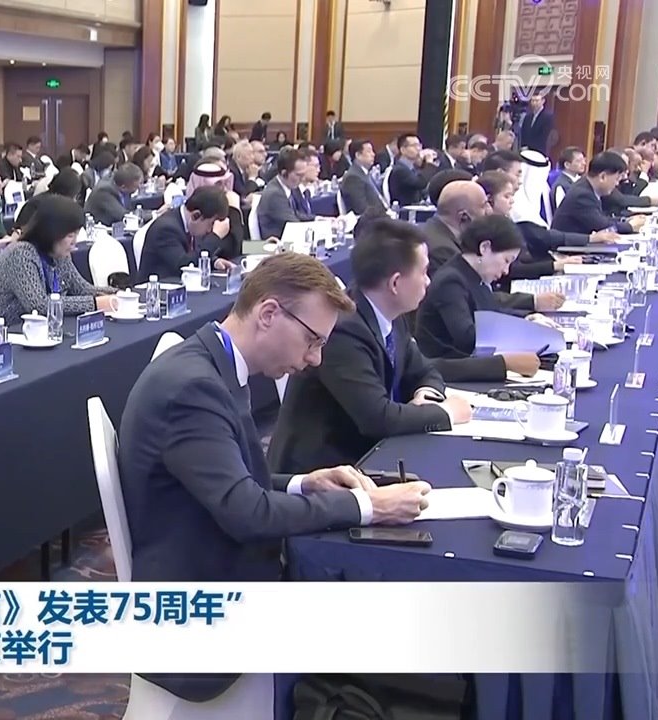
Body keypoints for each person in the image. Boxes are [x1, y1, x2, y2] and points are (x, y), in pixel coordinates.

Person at [118, 250, 432, 701]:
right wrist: (367, 506)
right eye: (312, 340)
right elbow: (249, 513)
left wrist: (306, 482)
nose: (316, 359)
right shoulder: (192, 388)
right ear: (268, 314)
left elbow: (231, 482)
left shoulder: (211, 364)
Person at [267, 220, 470, 474]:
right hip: (322, 471)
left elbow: (425, 371)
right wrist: (445, 412)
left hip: (367, 454)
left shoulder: (392, 315)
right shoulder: (342, 330)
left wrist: (426, 395)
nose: (428, 282)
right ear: (395, 283)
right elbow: (376, 418)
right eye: (423, 272)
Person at [416, 215, 556, 371]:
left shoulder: (474, 276)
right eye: (506, 260)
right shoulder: (451, 281)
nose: (506, 270)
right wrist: (523, 332)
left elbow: (492, 312)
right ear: (485, 248)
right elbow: (468, 337)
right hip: (450, 370)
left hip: (471, 363)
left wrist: (527, 319)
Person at [0, 195, 115, 334]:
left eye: (76, 234)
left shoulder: (59, 254)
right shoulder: (21, 254)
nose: (74, 242)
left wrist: (117, 294)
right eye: (70, 235)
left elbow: (82, 289)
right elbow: (39, 305)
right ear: (52, 232)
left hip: (23, 332)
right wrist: (94, 304)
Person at [137, 186, 236, 280]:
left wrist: (213, 262)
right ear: (196, 216)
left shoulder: (191, 224)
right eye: (211, 224)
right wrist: (215, 236)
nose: (209, 231)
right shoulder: (166, 229)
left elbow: (194, 254)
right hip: (157, 288)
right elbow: (184, 265)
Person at [551, 152, 647, 236]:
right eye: (616, 179)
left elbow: (602, 219)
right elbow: (602, 226)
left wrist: (625, 220)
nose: (617, 184)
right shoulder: (582, 195)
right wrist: (630, 226)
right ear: (602, 177)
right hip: (567, 248)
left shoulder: (588, 187)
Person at [255, 148, 314, 240]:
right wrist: (318, 226)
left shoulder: (288, 186)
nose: (302, 179)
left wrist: (317, 219)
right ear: (284, 173)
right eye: (299, 175)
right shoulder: (275, 194)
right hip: (275, 243)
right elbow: (294, 224)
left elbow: (295, 214)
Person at [339, 139, 388, 215]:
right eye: (369, 151)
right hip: (373, 219)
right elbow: (362, 209)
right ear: (358, 155)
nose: (373, 154)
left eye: (372, 151)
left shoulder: (365, 173)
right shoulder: (352, 178)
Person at [387, 134, 431, 206]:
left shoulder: (412, 167)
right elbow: (420, 183)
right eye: (414, 145)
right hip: (404, 209)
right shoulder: (400, 170)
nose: (418, 149)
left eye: (419, 145)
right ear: (403, 150)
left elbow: (423, 190)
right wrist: (429, 164)